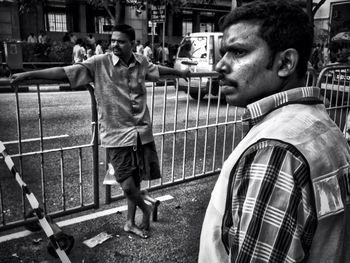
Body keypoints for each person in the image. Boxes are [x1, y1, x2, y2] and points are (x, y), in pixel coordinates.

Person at [199, 1, 350, 262]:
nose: (220, 66)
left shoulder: (275, 150)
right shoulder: (319, 125)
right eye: (224, 53)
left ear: (286, 62)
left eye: (238, 52)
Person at [11, 24, 189, 239]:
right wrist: (29, 74)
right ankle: (146, 208)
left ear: (131, 44)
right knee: (127, 185)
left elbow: (157, 69)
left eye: (121, 41)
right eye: (112, 40)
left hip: (141, 131)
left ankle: (129, 223)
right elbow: (66, 72)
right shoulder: (99, 63)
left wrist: (178, 72)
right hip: (116, 135)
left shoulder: (141, 62)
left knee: (135, 180)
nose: (114, 44)